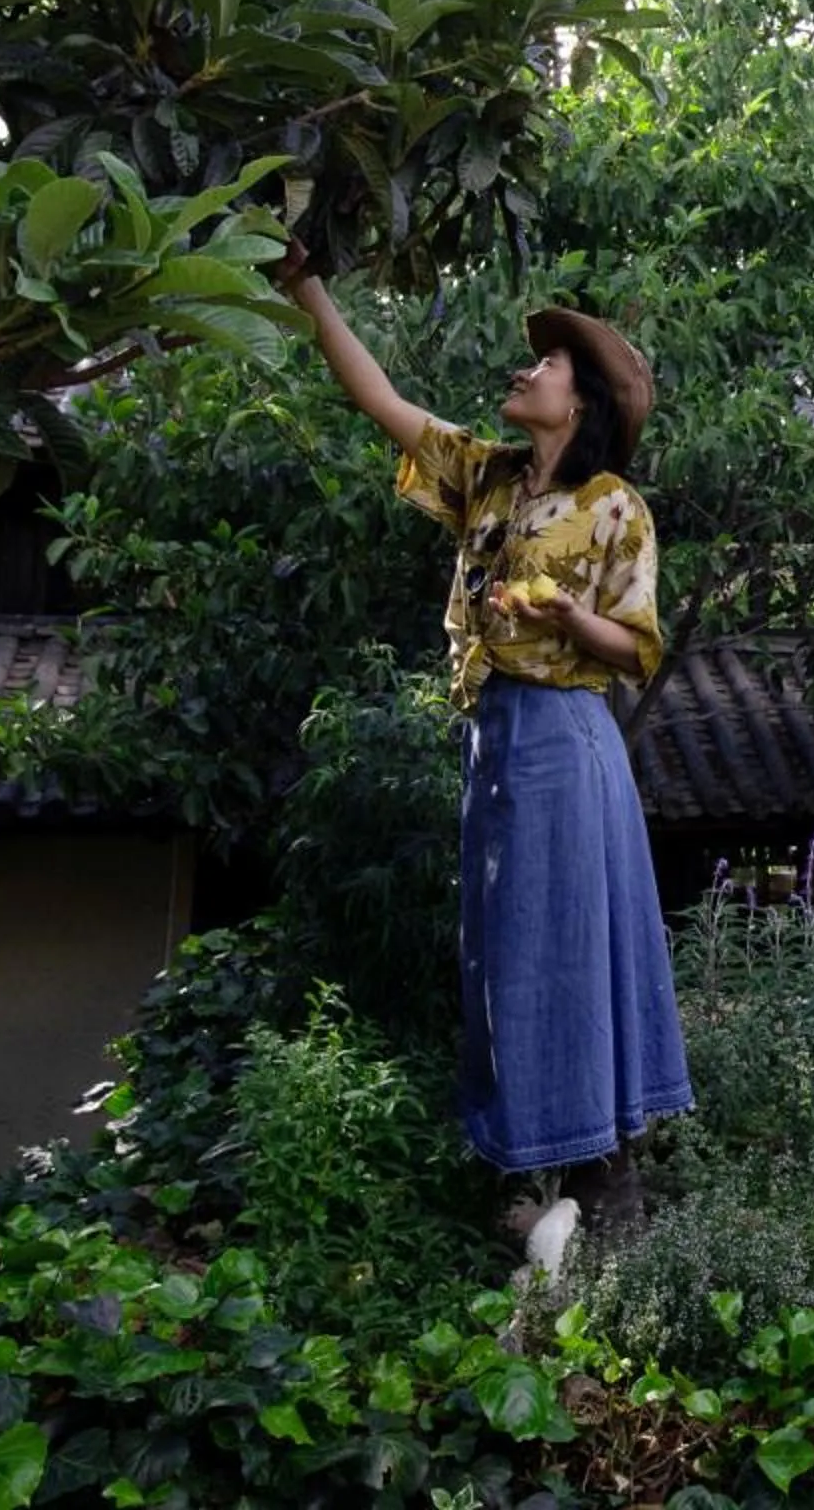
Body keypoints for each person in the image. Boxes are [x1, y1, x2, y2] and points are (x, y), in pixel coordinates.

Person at [277, 249, 693, 1212]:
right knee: (508, 947)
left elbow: (635, 646)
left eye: (546, 366)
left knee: (566, 943)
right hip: (497, 739)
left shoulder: (612, 508)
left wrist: (564, 620)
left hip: (566, 733)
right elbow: (378, 397)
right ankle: (537, 1165)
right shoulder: (490, 481)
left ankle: (604, 1178)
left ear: (580, 402)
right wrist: (309, 287)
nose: (526, 369)